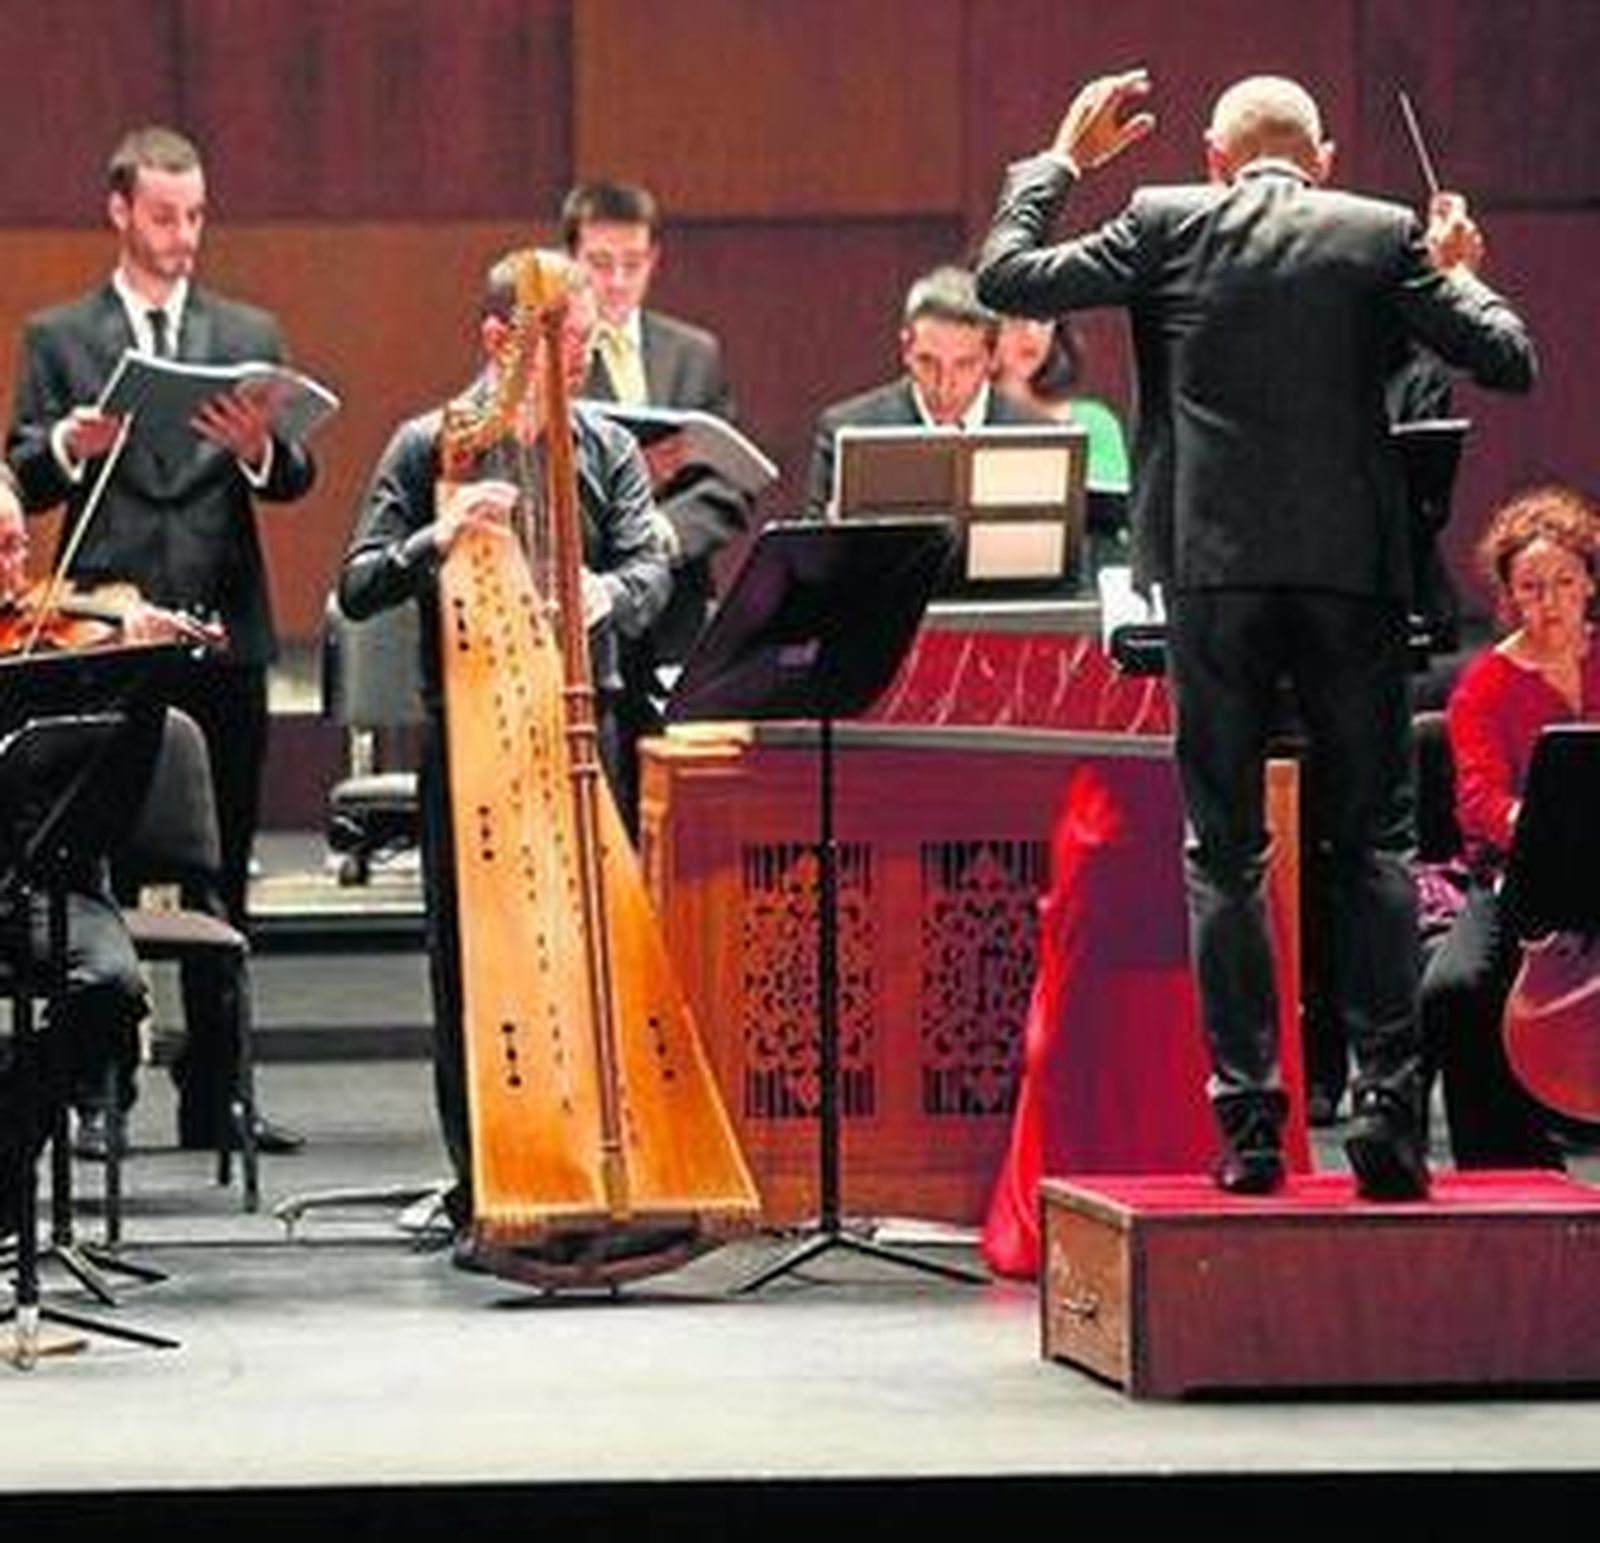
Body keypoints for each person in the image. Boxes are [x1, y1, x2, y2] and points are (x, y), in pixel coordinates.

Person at [977, 70, 1536, 1198]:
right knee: (1373, 844)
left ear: (1217, 158)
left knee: (1224, 853)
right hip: (1351, 580)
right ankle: (1384, 1102)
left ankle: (1247, 1127)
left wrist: (1061, 159)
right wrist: (1460, 275)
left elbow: (1005, 276)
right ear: (1320, 158)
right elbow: (1507, 357)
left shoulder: (1163, 220)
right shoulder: (1380, 234)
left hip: (1214, 579)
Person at [338, 248, 670, 1237]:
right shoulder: (423, 446)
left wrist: (607, 594)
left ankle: (602, 1161)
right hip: (473, 736)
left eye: (585, 339)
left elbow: (655, 555)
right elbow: (358, 583)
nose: (584, 356)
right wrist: (432, 540)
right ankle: (486, 1180)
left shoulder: (604, 447)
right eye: (564, 340)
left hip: (587, 719)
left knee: (595, 957)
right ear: (498, 339)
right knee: (470, 962)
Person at [5, 124, 316, 1159]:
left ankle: (218, 1094)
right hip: (105, 630)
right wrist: (65, 443)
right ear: (120, 211)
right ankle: (100, 1093)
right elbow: (23, 472)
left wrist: (261, 447)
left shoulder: (245, 325)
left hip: (222, 632)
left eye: (195, 215)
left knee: (223, 865)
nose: (184, 235)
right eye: (164, 215)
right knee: (97, 863)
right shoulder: (62, 336)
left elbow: (294, 475)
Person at [561, 179, 750, 831]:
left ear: (654, 260)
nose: (617, 282)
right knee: (603, 794)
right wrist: (625, 479)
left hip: (676, 597)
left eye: (632, 263)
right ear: (572, 261)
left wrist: (664, 528)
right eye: (599, 264)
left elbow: (728, 485)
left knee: (677, 797)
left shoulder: (694, 353)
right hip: (591, 600)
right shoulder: (559, 352)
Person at [1421, 485, 1600, 1171]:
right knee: (1456, 990)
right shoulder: (1485, 687)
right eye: (1531, 586)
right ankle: (1506, 1169)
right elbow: (1479, 804)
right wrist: (1546, 817)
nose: (1550, 600)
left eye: (1563, 582)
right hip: (1528, 878)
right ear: (1509, 597)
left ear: (1589, 581)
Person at [0, 481, 151, 1237]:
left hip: (48, 877)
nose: (16, 569)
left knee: (113, 985)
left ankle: (7, 1144)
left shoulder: (64, 644)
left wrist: (146, 659)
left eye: (20, 546)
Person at [803, 264, 1048, 519]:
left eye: (964, 365)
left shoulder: (1038, 438)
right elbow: (812, 552)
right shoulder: (847, 430)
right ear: (906, 350)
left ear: (992, 358)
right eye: (928, 362)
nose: (944, 384)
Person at [991, 313, 1129, 491]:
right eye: (1014, 318)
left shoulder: (1093, 425)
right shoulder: (959, 415)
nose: (1032, 333)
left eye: (1043, 318)